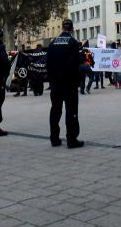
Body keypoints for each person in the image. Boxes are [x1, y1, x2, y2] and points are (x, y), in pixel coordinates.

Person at [46, 19, 84, 148]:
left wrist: (52, 78)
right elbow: (77, 61)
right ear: (72, 29)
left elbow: (48, 63)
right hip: (69, 83)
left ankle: (54, 138)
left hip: (56, 83)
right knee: (71, 110)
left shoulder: (53, 43)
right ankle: (71, 139)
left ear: (62, 28)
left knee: (55, 110)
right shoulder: (73, 43)